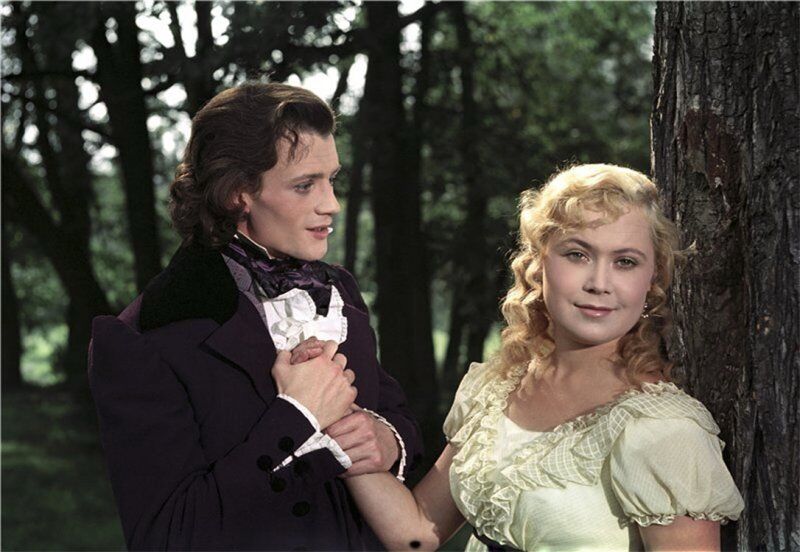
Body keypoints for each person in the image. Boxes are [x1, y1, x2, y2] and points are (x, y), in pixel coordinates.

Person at [317, 164, 744, 551]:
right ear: (539, 263)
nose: (599, 282)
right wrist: (338, 417)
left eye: (625, 262)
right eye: (577, 254)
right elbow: (417, 534)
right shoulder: (494, 390)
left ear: (652, 281)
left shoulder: (664, 431)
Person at [88, 82, 422, 550]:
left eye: (332, 180)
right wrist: (298, 417)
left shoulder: (339, 292)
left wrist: (386, 440)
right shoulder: (146, 337)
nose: (331, 203)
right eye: (305, 185)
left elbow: (397, 415)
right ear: (237, 193)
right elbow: (166, 537)